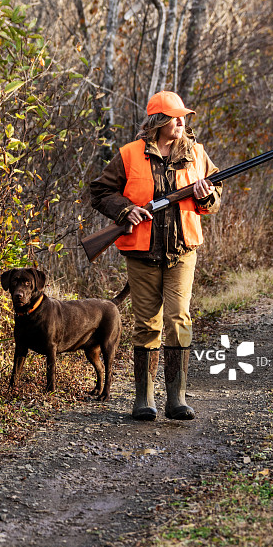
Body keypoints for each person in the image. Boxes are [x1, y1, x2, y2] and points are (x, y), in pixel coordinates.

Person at [90, 90, 221, 421]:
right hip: (142, 254)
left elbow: (215, 197)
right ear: (158, 121)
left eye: (182, 117)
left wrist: (206, 197)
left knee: (179, 321)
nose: (180, 122)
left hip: (181, 251)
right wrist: (125, 211)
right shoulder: (130, 155)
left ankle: (176, 399)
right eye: (174, 117)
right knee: (147, 324)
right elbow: (100, 192)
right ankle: (144, 399)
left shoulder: (196, 153)